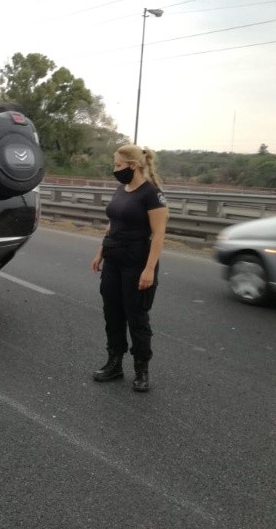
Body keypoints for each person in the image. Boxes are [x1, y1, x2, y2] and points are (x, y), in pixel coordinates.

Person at [90, 145, 168, 392]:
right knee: (112, 314)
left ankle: (141, 370)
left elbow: (158, 234)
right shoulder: (120, 190)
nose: (115, 170)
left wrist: (149, 269)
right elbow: (113, 224)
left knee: (137, 318)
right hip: (113, 261)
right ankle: (114, 364)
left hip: (137, 263)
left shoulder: (152, 194)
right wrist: (101, 252)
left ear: (133, 165)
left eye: (118, 165)